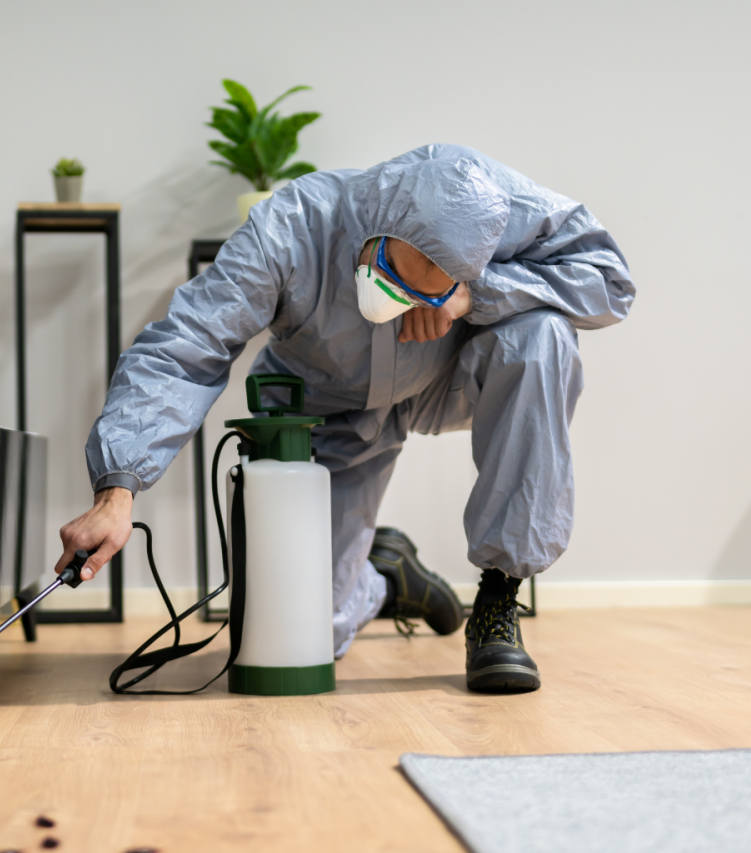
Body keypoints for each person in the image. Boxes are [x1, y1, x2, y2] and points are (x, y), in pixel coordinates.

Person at [56, 144, 634, 693]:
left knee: (542, 336)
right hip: (326, 409)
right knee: (308, 635)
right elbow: (187, 345)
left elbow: (609, 280)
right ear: (378, 226)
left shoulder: (500, 206)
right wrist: (118, 489)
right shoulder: (288, 230)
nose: (397, 302)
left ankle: (499, 598)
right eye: (394, 275)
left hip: (444, 381)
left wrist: (476, 296)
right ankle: (384, 578)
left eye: (421, 294)